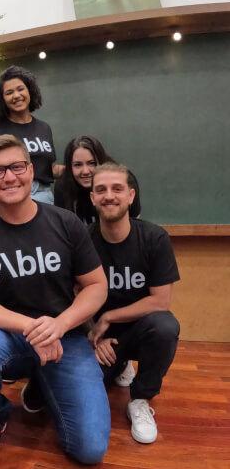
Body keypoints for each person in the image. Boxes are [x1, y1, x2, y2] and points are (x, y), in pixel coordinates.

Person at [0, 134, 110, 464]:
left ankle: (42, 382)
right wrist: (33, 328)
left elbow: (96, 285)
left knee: (90, 450)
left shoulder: (64, 222)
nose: (9, 177)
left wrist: (60, 324)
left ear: (31, 170)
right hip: (8, 336)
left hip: (65, 336)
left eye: (17, 167)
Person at [89, 163, 180, 444]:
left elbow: (160, 301)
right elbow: (71, 296)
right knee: (87, 389)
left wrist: (109, 317)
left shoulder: (154, 238)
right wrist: (93, 335)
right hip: (100, 339)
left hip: (138, 330)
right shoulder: (83, 241)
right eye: (101, 189)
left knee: (165, 326)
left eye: (117, 189)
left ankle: (140, 399)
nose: (109, 196)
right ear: (92, 198)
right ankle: (118, 365)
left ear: (130, 195)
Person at [0, 65, 62, 212]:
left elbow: (48, 168)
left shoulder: (44, 128)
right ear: (2, 99)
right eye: (9, 92)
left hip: (43, 197)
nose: (16, 95)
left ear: (29, 91)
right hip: (7, 196)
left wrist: (71, 169)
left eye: (20, 89)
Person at [55, 135, 141, 224]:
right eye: (78, 165)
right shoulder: (63, 186)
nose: (85, 171)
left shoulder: (124, 180)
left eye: (92, 163)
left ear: (101, 161)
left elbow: (134, 222)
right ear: (70, 167)